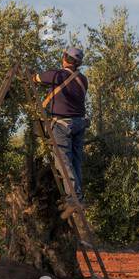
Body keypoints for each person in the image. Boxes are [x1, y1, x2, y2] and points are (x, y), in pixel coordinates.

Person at [33, 45, 88, 200]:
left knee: (63, 161)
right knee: (76, 160)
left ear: (64, 57)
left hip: (62, 124)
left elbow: (37, 78)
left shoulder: (57, 74)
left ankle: (73, 195)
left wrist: (32, 75)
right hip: (79, 123)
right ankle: (79, 195)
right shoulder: (83, 79)